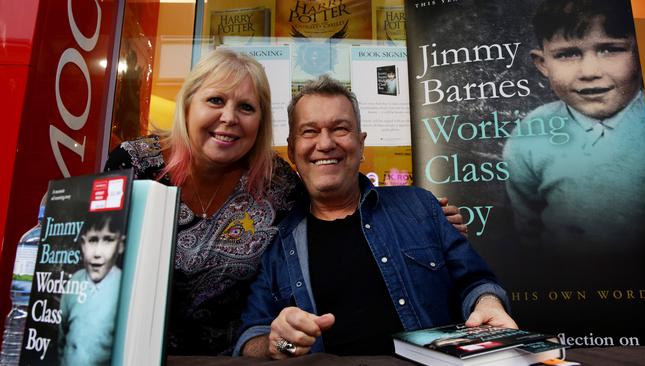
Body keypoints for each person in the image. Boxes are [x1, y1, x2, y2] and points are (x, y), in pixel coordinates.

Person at [104, 49, 466, 355]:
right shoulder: (135, 164)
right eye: (215, 100)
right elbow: (87, 259)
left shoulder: (276, 184)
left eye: (246, 107)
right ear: (188, 106)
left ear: (260, 122)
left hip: (227, 359)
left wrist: (430, 219)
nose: (229, 118)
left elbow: (334, 196)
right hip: (127, 349)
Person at [235, 75, 515, 359]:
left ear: (361, 142)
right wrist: (281, 344)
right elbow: (250, 340)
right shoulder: (275, 244)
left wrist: (488, 304)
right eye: (309, 131)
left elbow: (475, 282)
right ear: (292, 149)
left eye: (340, 128)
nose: (325, 143)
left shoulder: (421, 207)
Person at [503, 0, 645, 249]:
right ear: (542, 64)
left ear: (639, 52)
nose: (589, 71)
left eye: (610, 49)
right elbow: (526, 227)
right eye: (568, 54)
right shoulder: (530, 133)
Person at [58, 215, 124, 365]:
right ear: (83, 244)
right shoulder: (75, 280)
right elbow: (61, 334)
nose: (97, 253)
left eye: (108, 240)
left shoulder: (123, 284)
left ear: (120, 245)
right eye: (93, 240)